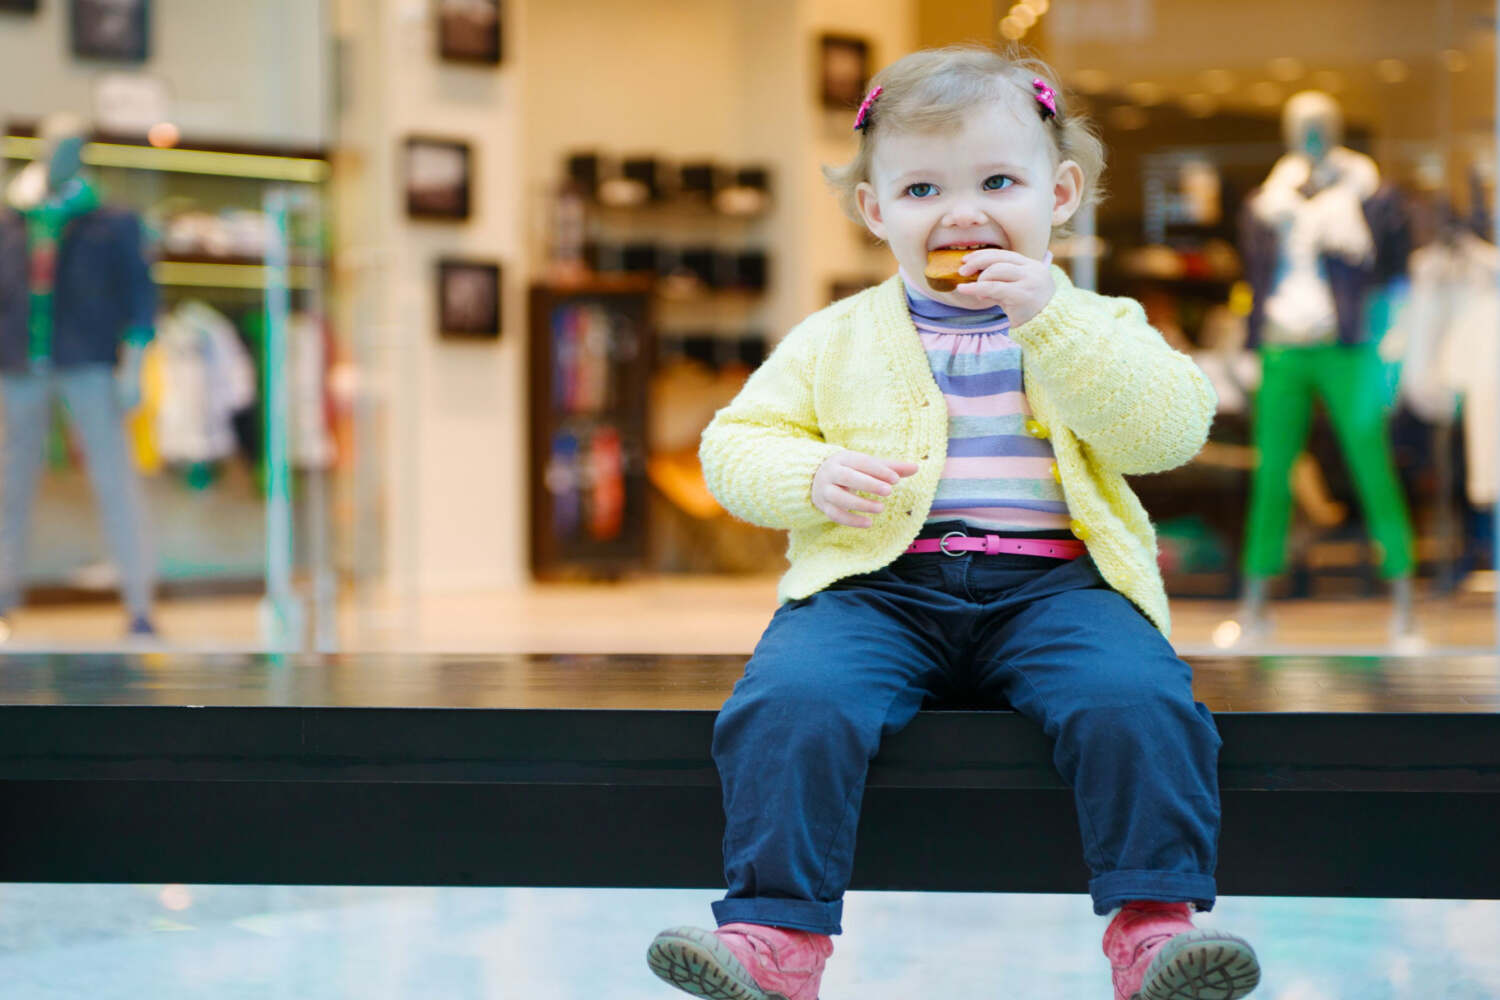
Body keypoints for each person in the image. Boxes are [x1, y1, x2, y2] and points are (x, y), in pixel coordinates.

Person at [645, 46, 1260, 1000]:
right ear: (876, 212)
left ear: (1059, 195)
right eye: (924, 187)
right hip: (875, 590)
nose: (963, 213)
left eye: (998, 181)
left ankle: (1154, 927)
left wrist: (1053, 320)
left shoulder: (1097, 321)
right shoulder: (837, 335)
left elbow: (1169, 429)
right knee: (789, 702)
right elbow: (733, 446)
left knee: (1136, 701)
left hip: (1060, 587)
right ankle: (775, 936)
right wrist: (810, 474)